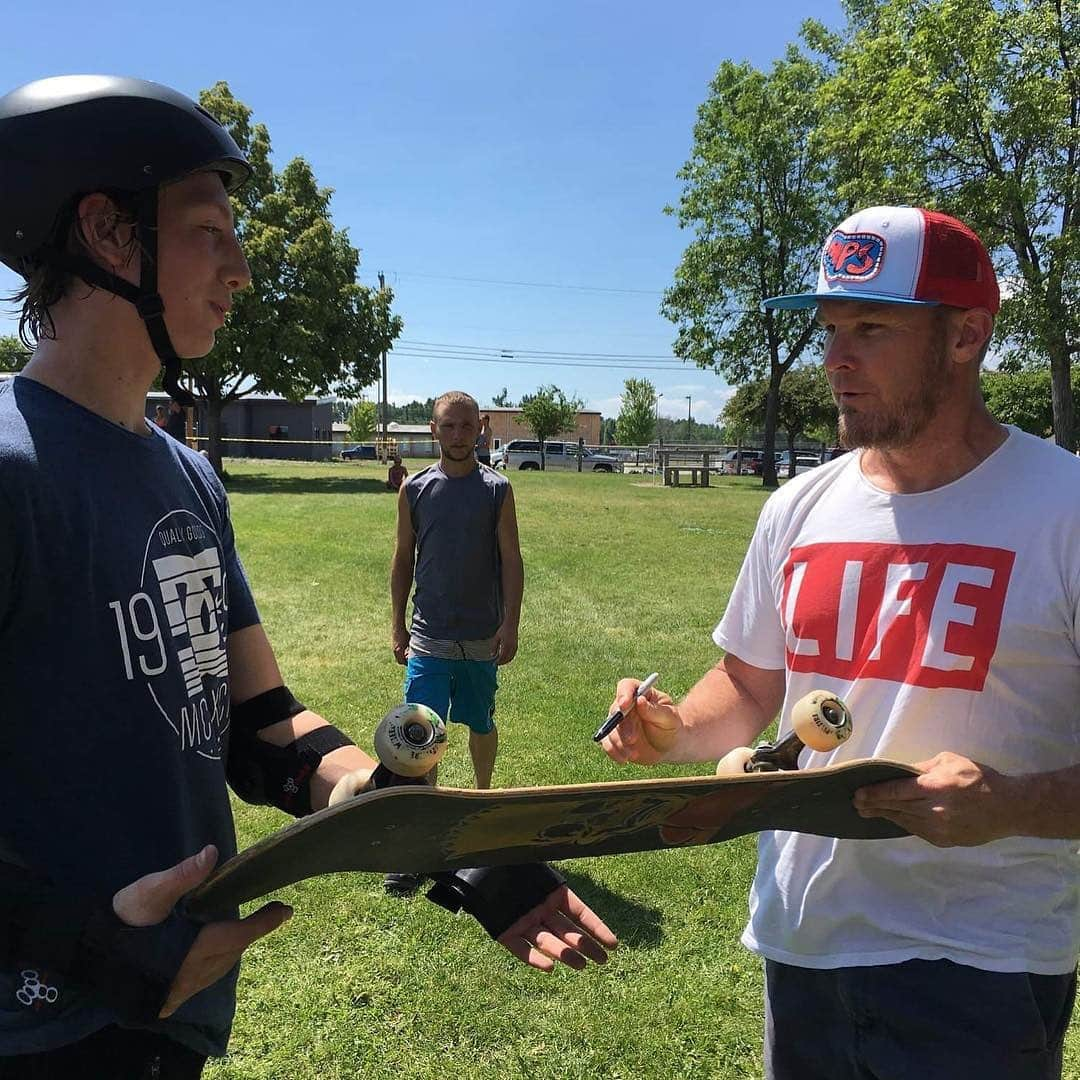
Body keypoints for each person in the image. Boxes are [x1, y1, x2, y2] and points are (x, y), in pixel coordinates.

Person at [0, 75, 614, 1078]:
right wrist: (83, 941)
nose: (241, 269)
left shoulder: (185, 475)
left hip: (165, 1015)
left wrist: (432, 835)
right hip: (37, 1032)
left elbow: (262, 722)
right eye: (210, 230)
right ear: (110, 234)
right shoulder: (10, 469)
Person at [602, 206, 1080, 1079]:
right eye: (828, 329)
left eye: (870, 327)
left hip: (982, 964)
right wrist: (676, 729)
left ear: (968, 334)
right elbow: (748, 684)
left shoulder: (1066, 510)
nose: (834, 361)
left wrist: (1010, 804)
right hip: (806, 945)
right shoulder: (799, 508)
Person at [388, 391, 523, 892]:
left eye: (468, 427)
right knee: (420, 736)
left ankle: (481, 809)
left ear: (482, 428)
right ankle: (421, 839)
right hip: (429, 636)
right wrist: (397, 624)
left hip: (480, 637)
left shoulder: (497, 490)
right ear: (432, 429)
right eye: (449, 427)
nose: (459, 435)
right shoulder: (415, 490)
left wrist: (510, 624)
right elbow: (403, 559)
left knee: (481, 721)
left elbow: (511, 559)